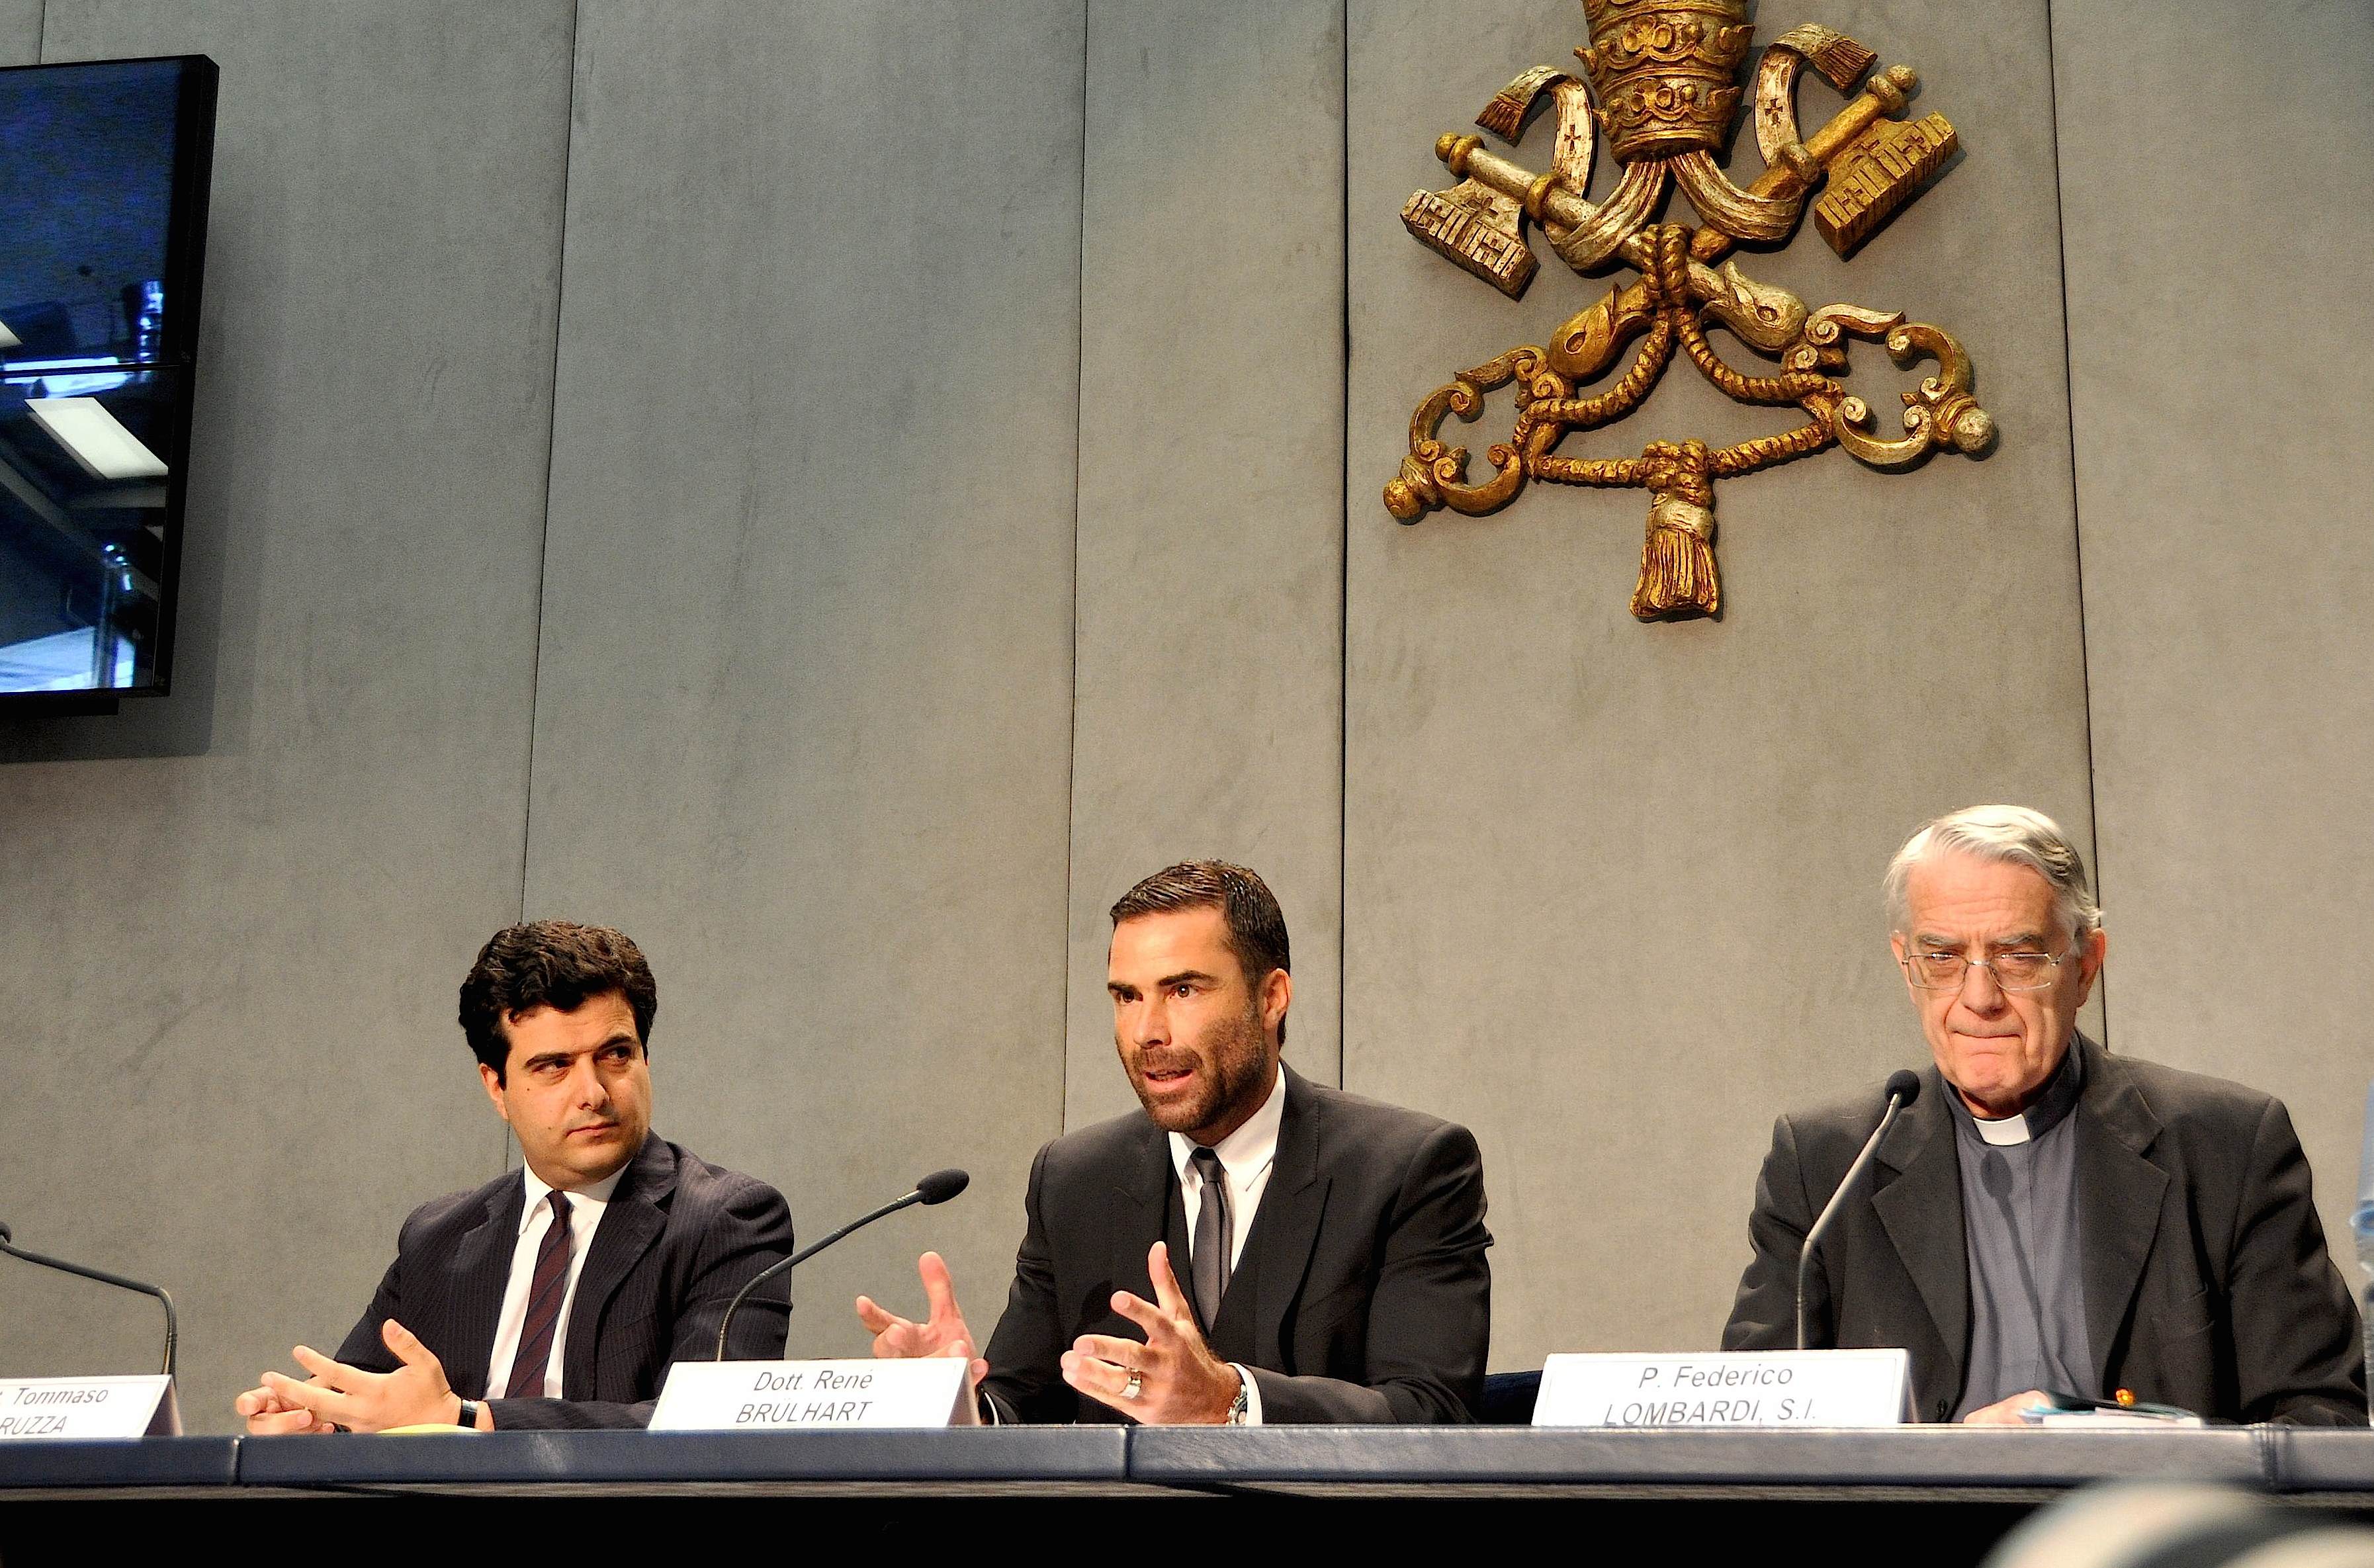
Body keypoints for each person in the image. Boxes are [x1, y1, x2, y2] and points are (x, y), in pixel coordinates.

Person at [1723, 806, 2364, 1424]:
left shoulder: (2226, 1147)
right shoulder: (1826, 1164)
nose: (1979, 998)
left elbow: (2321, 1420)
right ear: (1906, 966)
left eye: (2018, 957)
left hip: (2144, 1499)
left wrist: (2124, 1440)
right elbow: (1752, 1433)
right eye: (1942, 958)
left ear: (2085, 967)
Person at [857, 861, 1492, 1424]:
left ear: (1271, 998)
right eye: (1127, 996)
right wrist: (954, 1404)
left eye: (1183, 990)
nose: (1147, 1031)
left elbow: (1429, 1410)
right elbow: (1024, 1407)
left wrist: (1230, 1402)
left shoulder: (1408, 1168)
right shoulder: (1075, 1180)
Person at [234, 921, 795, 1432]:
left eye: (615, 1055)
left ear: (645, 1058)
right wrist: (317, 1423)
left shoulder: (728, 1219)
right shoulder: (438, 1237)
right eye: (554, 1066)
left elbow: (708, 1426)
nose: (593, 1093)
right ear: (496, 1087)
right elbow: (366, 1398)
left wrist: (469, 1419)